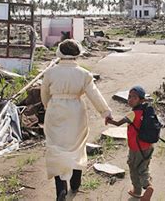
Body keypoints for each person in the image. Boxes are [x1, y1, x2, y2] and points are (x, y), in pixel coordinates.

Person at [40, 39, 113, 201]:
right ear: (76, 54)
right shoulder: (84, 74)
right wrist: (105, 112)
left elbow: (44, 94)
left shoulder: (50, 72)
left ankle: (61, 189)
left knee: (55, 148)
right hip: (76, 111)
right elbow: (94, 94)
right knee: (77, 147)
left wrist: (49, 107)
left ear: (60, 52)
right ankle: (75, 181)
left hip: (55, 110)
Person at [106, 86, 154, 201]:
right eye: (129, 96)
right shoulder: (147, 111)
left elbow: (117, 123)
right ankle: (147, 187)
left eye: (134, 97)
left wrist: (108, 119)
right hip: (148, 146)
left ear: (141, 100)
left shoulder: (132, 114)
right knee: (144, 167)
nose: (130, 99)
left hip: (136, 148)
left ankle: (140, 190)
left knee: (133, 168)